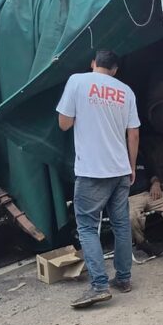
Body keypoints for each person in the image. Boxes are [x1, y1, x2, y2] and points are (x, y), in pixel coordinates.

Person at [57, 50, 140, 309]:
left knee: (87, 227)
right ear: (115, 69)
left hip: (92, 170)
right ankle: (123, 279)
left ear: (93, 64)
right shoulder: (126, 91)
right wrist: (132, 166)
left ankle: (99, 286)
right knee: (121, 225)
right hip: (119, 169)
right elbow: (134, 133)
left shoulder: (77, 81)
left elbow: (64, 123)